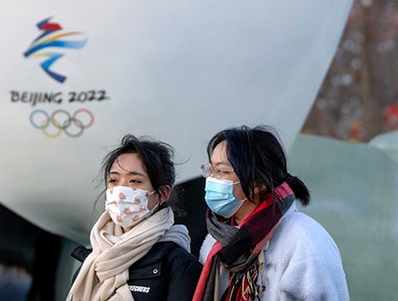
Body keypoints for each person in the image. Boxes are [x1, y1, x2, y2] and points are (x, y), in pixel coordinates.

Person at [194, 126, 348, 301]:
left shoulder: (305, 241)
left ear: (258, 182)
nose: (211, 179)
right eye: (210, 170)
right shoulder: (215, 241)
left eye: (221, 171)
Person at [68, 134, 203, 301]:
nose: (120, 190)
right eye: (113, 180)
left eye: (134, 181)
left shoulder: (179, 265)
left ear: (162, 194)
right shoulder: (94, 261)